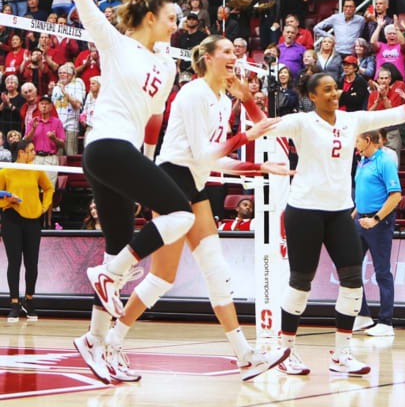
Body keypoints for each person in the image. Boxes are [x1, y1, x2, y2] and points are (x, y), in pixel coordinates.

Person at [95, 35, 288, 384]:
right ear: (209, 58)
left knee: (213, 270)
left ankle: (245, 355)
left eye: (236, 51)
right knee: (160, 279)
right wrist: (247, 141)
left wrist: (256, 162)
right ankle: (110, 340)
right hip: (172, 179)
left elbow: (218, 160)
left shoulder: (220, 100)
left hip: (195, 183)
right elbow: (204, 155)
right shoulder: (195, 93)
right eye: (228, 51)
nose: (235, 56)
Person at [261, 71, 405, 376]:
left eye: (335, 88)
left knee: (353, 281)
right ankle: (285, 350)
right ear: (312, 96)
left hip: (340, 212)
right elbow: (264, 124)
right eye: (326, 90)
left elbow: (397, 113)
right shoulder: (302, 121)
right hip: (303, 211)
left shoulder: (351, 120)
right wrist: (247, 100)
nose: (333, 93)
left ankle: (341, 355)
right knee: (300, 283)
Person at [68, 0, 205, 380]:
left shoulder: (165, 65)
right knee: (181, 216)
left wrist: (146, 165)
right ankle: (108, 276)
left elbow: (154, 119)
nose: (176, 26)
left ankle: (96, 341)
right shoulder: (115, 43)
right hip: (105, 147)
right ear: (150, 17)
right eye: (170, 18)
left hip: (126, 155)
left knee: (117, 246)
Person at [352, 129, 400, 337]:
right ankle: (362, 315)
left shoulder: (385, 161)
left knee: (382, 271)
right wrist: (352, 215)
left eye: (357, 140)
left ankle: (386, 322)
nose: (354, 144)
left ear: (367, 140)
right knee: (351, 269)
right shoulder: (361, 161)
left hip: (379, 222)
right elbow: (361, 193)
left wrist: (376, 219)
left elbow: (396, 195)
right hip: (359, 218)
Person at [0, 139, 53, 322]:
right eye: (31, 151)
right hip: (12, 219)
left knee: (32, 264)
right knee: (14, 262)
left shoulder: (36, 170)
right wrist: (8, 201)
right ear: (21, 152)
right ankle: (14, 303)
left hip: (33, 220)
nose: (34, 154)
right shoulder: (6, 171)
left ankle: (29, 300)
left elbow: (48, 188)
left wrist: (44, 207)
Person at [24, 93, 64, 192]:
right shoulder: (33, 121)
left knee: (49, 190)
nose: (44, 106)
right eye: (42, 104)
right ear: (39, 106)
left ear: (51, 107)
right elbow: (26, 140)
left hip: (50, 158)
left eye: (47, 104)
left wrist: (54, 139)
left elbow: (62, 144)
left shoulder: (57, 122)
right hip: (35, 158)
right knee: (33, 189)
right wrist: (33, 129)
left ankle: (48, 208)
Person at [51, 62, 86, 155]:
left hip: (71, 127)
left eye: (64, 73)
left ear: (70, 75)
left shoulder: (77, 85)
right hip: (57, 127)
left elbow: (78, 105)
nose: (62, 75)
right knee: (58, 156)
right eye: (60, 73)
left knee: (71, 155)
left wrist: (66, 94)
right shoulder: (56, 88)